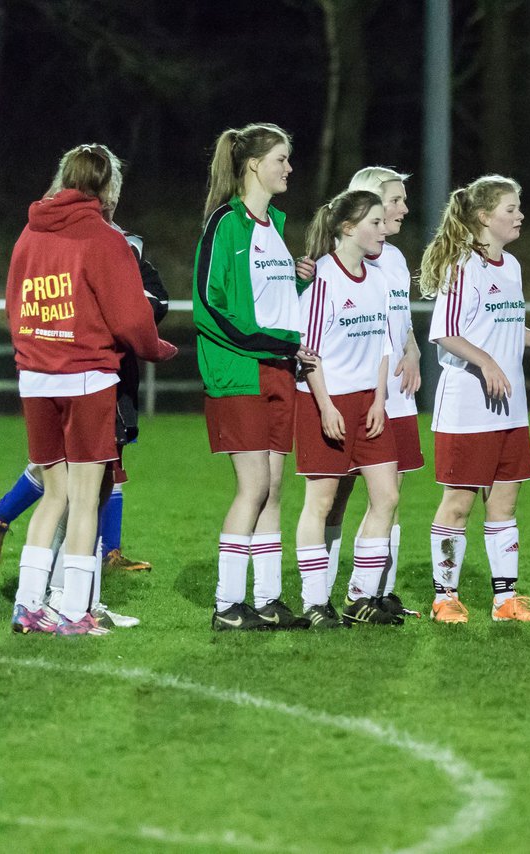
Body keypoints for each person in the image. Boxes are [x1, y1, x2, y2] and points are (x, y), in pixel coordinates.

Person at [6, 143, 176, 635]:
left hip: (36, 378)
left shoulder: (29, 231)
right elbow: (131, 318)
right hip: (86, 378)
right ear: (109, 186)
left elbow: (17, 308)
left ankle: (29, 605)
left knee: (53, 493)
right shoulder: (102, 238)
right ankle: (75, 612)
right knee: (85, 498)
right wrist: (157, 349)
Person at [194, 122, 318, 632]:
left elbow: (260, 296)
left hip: (277, 370)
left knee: (272, 489)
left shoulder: (272, 227)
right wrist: (275, 343)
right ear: (253, 165)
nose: (289, 168)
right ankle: (227, 605)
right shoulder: (226, 223)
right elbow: (209, 306)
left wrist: (294, 277)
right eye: (281, 159)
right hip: (239, 372)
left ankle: (266, 598)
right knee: (253, 488)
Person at [420, 174, 530, 624]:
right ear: (483, 217)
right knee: (458, 504)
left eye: (518, 209)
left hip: (509, 408)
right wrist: (487, 363)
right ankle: (445, 597)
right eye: (510, 210)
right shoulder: (462, 265)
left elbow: (493, 324)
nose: (519, 216)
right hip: (468, 407)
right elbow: (445, 332)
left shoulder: (512, 266)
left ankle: (505, 601)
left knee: (504, 504)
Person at [293, 190, 400, 627]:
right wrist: (327, 406)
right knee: (320, 502)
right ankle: (315, 602)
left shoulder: (377, 278)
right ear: (348, 228)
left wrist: (378, 399)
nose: (383, 229)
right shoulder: (321, 277)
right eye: (375, 221)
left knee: (387, 496)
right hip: (326, 402)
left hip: (367, 404)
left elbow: (382, 346)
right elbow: (308, 352)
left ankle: (359, 597)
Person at [320, 167, 423, 620]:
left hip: (393, 391)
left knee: (390, 491)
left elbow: (399, 319)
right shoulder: (340, 260)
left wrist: (414, 347)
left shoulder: (395, 259)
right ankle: (320, 590)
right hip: (352, 389)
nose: (402, 209)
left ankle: (378, 588)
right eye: (394, 200)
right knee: (337, 492)